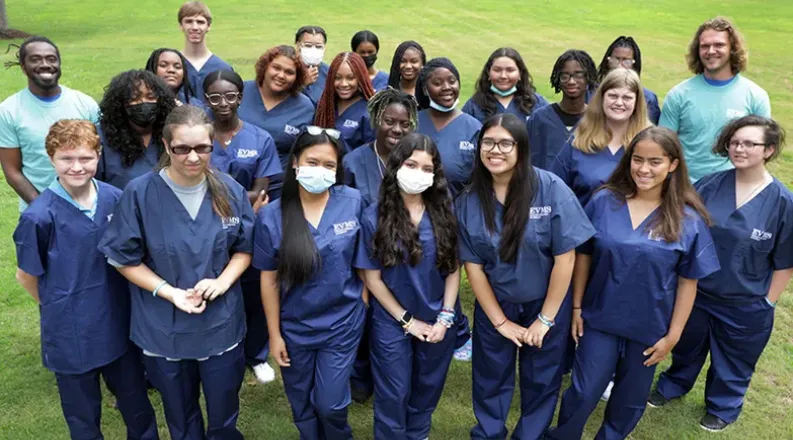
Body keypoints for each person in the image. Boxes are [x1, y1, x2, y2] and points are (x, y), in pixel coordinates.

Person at [547, 126, 720, 440]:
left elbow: (688, 281)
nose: (644, 168)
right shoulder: (603, 201)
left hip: (649, 329)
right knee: (584, 391)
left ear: (673, 165)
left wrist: (673, 336)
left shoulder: (687, 220)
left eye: (655, 162)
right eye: (637, 159)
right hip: (599, 318)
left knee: (629, 402)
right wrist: (575, 306)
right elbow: (583, 255)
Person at [99, 105, 254, 440]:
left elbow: (245, 248)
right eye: (182, 148)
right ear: (166, 147)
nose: (193, 157)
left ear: (213, 146)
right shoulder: (139, 194)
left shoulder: (229, 191)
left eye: (202, 148)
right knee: (181, 417)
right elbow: (123, 258)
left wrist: (222, 281)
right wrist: (169, 292)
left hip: (220, 326)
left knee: (224, 414)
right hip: (162, 328)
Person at [13, 120, 159, 440]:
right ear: (51, 159)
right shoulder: (38, 217)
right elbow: (25, 276)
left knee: (136, 402)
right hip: (70, 333)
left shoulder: (115, 198)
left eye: (85, 158)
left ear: (98, 155)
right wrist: (60, 306)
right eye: (66, 159)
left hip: (118, 322)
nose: (76, 167)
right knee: (82, 415)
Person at [649, 116, 793, 432]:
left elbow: (785, 262)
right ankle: (674, 384)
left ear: (768, 150)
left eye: (749, 143)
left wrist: (767, 302)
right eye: (734, 142)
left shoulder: (782, 202)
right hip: (698, 292)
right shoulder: (712, 185)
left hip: (745, 301)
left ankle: (723, 405)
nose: (739, 149)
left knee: (734, 360)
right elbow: (683, 227)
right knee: (687, 345)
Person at [456, 114, 594, 439]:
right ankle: (489, 432)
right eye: (488, 142)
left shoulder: (550, 188)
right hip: (497, 304)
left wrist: (545, 320)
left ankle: (530, 434)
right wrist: (500, 321)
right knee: (490, 376)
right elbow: (472, 267)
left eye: (506, 143)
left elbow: (566, 257)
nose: (495, 150)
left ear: (521, 148)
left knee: (542, 378)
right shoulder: (469, 201)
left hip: (545, 302)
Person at [253, 127, 366, 440]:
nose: (321, 171)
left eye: (329, 165)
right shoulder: (272, 216)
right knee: (300, 402)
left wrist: (363, 301)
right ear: (294, 163)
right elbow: (269, 278)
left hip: (341, 324)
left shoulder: (353, 201)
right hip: (295, 327)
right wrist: (274, 335)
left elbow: (364, 262)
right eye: (312, 162)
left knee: (330, 404)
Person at [356, 133, 461, 439]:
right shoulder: (373, 215)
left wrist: (445, 316)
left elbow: (454, 267)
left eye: (427, 168)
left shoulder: (445, 211)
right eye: (411, 164)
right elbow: (371, 278)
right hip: (392, 319)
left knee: (427, 388)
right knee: (393, 390)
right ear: (396, 165)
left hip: (439, 315)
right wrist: (407, 321)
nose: (418, 173)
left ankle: (418, 434)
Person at [204, 69, 282, 383]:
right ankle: (218, 351)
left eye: (230, 95)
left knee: (254, 290)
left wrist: (218, 195)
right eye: (215, 96)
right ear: (205, 99)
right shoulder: (199, 136)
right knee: (213, 288)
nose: (223, 103)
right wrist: (241, 195)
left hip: (250, 228)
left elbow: (261, 192)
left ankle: (256, 354)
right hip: (205, 230)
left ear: (241, 97)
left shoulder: (259, 138)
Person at [660, 16, 770, 182]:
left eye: (719, 45)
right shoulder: (679, 94)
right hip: (686, 189)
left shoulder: (755, 96)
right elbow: (663, 147)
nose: (711, 51)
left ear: (733, 48)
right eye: (705, 46)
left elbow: (761, 151)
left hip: (734, 189)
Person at [0, 36, 99, 212]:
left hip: (87, 208)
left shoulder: (85, 104)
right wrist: (44, 208)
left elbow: (99, 156)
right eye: (35, 59)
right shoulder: (8, 111)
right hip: (38, 210)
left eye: (51, 59)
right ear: (23, 67)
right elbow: (12, 171)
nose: (45, 64)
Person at [551, 69, 651, 207]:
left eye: (627, 98)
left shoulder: (649, 142)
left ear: (637, 103)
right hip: (583, 225)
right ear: (602, 98)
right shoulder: (580, 139)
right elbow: (553, 190)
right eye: (613, 96)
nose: (619, 103)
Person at [238, 45, 314, 200]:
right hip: (237, 183)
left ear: (297, 77)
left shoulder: (304, 107)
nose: (281, 75)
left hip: (279, 190)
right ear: (265, 67)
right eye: (276, 68)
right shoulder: (241, 91)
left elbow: (304, 151)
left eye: (289, 72)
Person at [96, 70, 177, 190]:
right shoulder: (101, 138)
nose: (143, 102)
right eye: (134, 98)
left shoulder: (173, 134)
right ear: (120, 103)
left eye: (150, 97)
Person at [415, 57, 482, 197]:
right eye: (437, 83)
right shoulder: (412, 123)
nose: (447, 87)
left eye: (452, 81)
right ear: (425, 89)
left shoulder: (474, 128)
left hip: (458, 213)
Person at [343, 88, 418, 207]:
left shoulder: (417, 161)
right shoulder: (352, 163)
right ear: (376, 120)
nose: (397, 130)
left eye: (405, 124)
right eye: (389, 121)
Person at [527, 49, 597, 170]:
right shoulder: (540, 119)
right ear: (557, 79)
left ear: (588, 78)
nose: (571, 81)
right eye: (565, 76)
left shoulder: (598, 121)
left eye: (578, 75)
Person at [462, 47, 548, 124]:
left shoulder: (537, 104)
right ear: (488, 72)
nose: (503, 76)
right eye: (497, 70)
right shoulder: (473, 106)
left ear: (520, 73)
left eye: (510, 70)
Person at [314, 52, 376, 152]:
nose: (343, 84)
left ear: (360, 78)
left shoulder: (369, 112)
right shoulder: (324, 105)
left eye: (350, 78)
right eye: (337, 78)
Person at [595, 36, 661, 125]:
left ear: (634, 64)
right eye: (615, 60)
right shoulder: (591, 91)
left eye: (626, 61)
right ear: (608, 61)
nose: (619, 66)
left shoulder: (648, 98)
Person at [178, 1, 233, 100]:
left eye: (200, 22)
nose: (194, 27)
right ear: (181, 25)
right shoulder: (172, 67)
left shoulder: (223, 68)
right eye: (189, 21)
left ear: (208, 26)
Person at [296, 25, 329, 106]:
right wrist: (302, 84)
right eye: (308, 45)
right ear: (298, 45)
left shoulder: (329, 73)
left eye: (318, 46)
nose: (313, 50)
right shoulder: (287, 70)